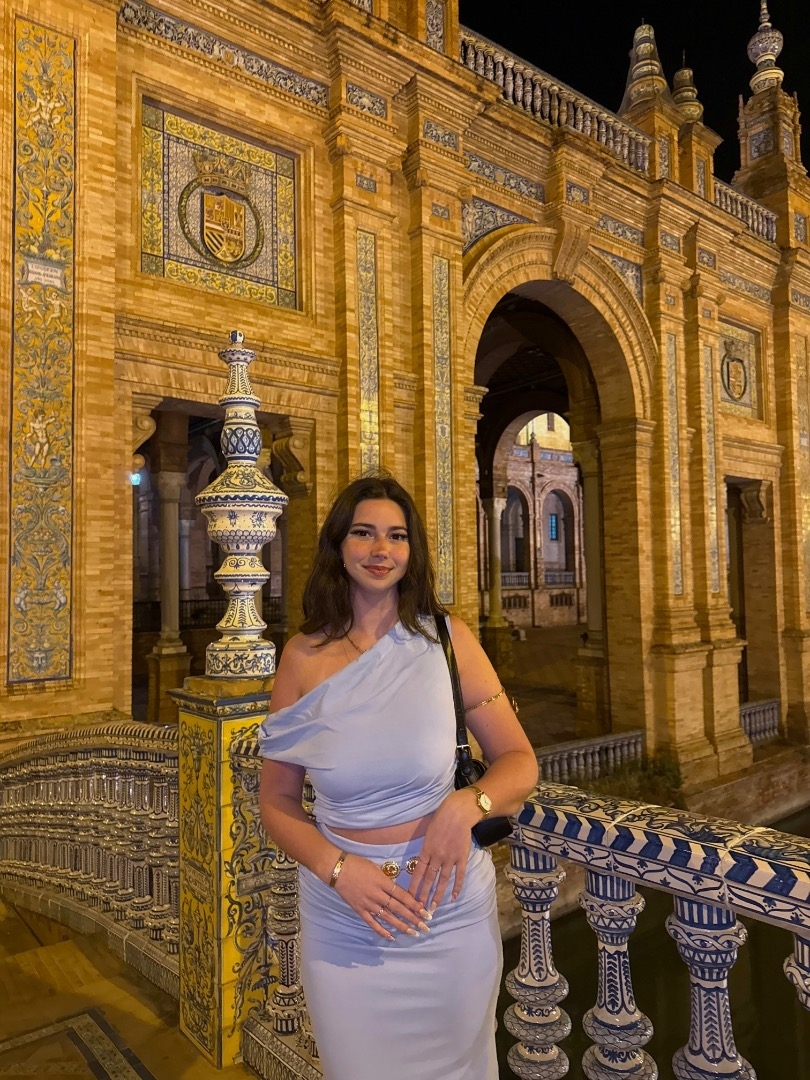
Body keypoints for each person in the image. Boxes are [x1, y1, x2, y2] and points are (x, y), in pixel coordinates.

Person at [258, 474, 538, 1079]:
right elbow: (276, 801)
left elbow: (520, 760)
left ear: (413, 550)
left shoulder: (447, 640)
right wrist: (340, 870)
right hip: (345, 918)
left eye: (397, 536)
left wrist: (468, 804)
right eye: (364, 533)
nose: (381, 549)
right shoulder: (302, 658)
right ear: (339, 546)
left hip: (448, 911)